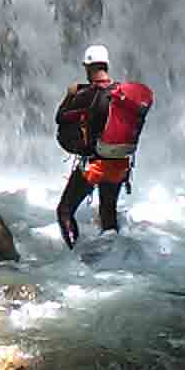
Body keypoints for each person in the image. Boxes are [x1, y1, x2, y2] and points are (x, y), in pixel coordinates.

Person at [55, 43, 131, 249]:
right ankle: (117, 263)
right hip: (120, 164)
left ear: (88, 68)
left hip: (95, 165)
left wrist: (70, 95)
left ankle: (74, 258)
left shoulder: (86, 95)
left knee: (64, 211)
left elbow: (60, 118)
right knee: (108, 214)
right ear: (106, 65)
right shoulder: (122, 92)